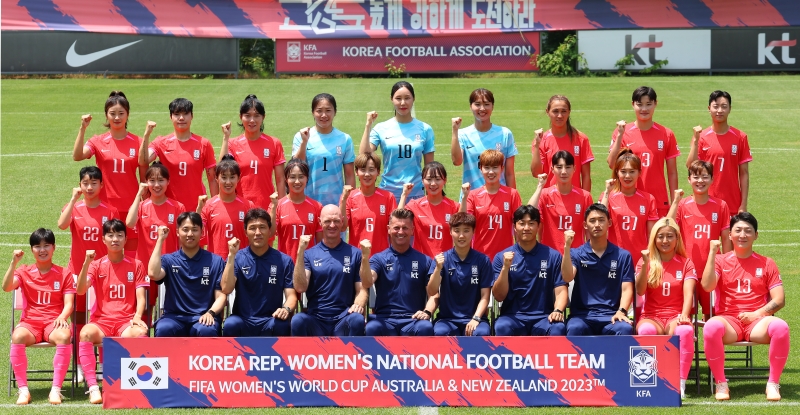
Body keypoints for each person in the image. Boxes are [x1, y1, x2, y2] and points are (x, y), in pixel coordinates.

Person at [701, 213, 788, 401]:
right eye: (738, 230)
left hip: (758, 322)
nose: (742, 235)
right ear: (730, 234)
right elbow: (707, 286)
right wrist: (711, 253)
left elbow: (779, 299)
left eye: (748, 231)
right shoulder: (720, 260)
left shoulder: (767, 263)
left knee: (781, 327)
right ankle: (721, 384)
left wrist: (756, 314)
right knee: (711, 326)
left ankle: (773, 384)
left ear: (756, 235)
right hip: (729, 321)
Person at [75, 219, 149, 404]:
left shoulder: (137, 265)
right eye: (110, 235)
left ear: (125, 239)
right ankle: (93, 388)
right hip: (101, 322)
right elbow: (81, 289)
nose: (115, 239)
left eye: (119, 235)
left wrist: (137, 316)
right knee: (84, 333)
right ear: (103, 239)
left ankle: (135, 385)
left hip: (125, 322)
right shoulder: (96, 265)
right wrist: (86, 263)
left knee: (141, 332)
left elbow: (141, 297)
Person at [56, 167, 118, 372]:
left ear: (102, 185)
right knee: (79, 318)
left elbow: (115, 240)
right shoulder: (73, 207)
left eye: (94, 183)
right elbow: (62, 225)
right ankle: (81, 365)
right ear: (80, 185)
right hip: (77, 272)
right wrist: (73, 200)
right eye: (85, 183)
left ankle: (101, 365)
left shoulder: (110, 211)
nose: (89, 187)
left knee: (101, 318)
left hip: (103, 273)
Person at [3, 229, 75, 405]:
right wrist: (13, 263)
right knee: (17, 336)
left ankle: (56, 390)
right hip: (30, 323)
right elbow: (6, 287)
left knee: (65, 336)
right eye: (37, 246)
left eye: (46, 245)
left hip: (54, 322)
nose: (42, 250)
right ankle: (23, 390)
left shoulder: (64, 273)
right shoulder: (24, 271)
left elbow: (69, 304)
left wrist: (63, 316)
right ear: (32, 249)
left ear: (54, 247)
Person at [72, 91, 143, 253]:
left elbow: (144, 176)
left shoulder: (138, 142)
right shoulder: (97, 141)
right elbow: (77, 156)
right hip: (105, 206)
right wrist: (82, 129)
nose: (116, 117)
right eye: (112, 114)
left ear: (128, 115)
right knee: (107, 253)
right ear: (106, 115)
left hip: (131, 206)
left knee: (132, 254)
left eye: (121, 113)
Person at [635, 218, 696, 399]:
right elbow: (640, 290)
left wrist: (684, 315)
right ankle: (649, 380)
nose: (665, 241)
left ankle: (680, 383)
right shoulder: (645, 261)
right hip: (651, 315)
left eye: (670, 236)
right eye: (660, 236)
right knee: (645, 330)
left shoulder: (686, 263)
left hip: (675, 316)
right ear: (654, 239)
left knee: (684, 331)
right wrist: (645, 264)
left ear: (677, 239)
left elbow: (688, 294)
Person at [667, 160, 732, 320]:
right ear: (689, 179)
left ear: (712, 179)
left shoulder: (721, 206)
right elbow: (667, 226)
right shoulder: (682, 205)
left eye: (705, 177)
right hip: (687, 272)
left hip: (712, 273)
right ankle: (690, 346)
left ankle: (712, 346)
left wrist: (729, 266)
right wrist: (675, 201)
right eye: (696, 177)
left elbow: (726, 238)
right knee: (686, 317)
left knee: (713, 316)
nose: (700, 181)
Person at [292, 205, 367, 336]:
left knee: (357, 319)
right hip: (316, 319)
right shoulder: (309, 254)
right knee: (298, 320)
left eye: (336, 221)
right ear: (320, 222)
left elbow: (362, 289)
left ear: (342, 221)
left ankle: (354, 356)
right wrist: (300, 252)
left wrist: (358, 304)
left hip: (343, 318)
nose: (332, 225)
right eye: (327, 221)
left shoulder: (355, 254)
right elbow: (300, 287)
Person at [148, 212, 227, 337]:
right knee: (164, 329)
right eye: (185, 230)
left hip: (203, 316)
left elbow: (221, 296)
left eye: (195, 230)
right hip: (173, 318)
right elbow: (153, 274)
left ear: (202, 232)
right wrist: (160, 239)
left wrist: (211, 313)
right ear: (178, 232)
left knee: (207, 330)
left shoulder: (216, 261)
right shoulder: (169, 260)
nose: (190, 234)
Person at [492, 206, 567, 336]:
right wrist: (505, 268)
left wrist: (558, 310)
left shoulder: (553, 256)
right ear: (515, 227)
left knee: (557, 328)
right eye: (522, 223)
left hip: (544, 317)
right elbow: (498, 296)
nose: (526, 228)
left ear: (538, 226)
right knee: (502, 327)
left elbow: (561, 291)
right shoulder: (501, 257)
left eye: (531, 223)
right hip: (512, 317)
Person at [360, 209, 437, 336]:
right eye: (396, 228)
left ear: (412, 230)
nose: (400, 232)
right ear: (388, 229)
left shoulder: (425, 260)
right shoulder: (378, 258)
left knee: (425, 327)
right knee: (372, 328)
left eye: (405, 228)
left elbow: (434, 294)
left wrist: (427, 312)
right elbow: (367, 282)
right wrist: (364, 258)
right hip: (384, 319)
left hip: (413, 319)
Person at [222, 208, 297, 337]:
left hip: (271, 320)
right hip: (242, 320)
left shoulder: (284, 260)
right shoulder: (237, 258)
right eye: (252, 228)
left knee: (282, 325)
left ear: (270, 230)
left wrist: (286, 309)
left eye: (262, 227)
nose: (258, 232)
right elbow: (226, 288)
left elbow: (292, 296)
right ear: (245, 232)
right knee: (230, 324)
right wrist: (231, 256)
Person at [562, 204, 634, 336]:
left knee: (625, 329)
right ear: (585, 225)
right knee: (574, 328)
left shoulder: (623, 256)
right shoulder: (576, 253)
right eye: (592, 221)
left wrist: (622, 311)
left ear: (609, 223)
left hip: (611, 316)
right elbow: (567, 277)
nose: (597, 224)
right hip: (582, 316)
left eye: (601, 220)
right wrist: (567, 247)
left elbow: (627, 288)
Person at [607, 86, 679, 217]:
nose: (644, 109)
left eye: (648, 104)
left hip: (658, 199)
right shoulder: (622, 132)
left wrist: (675, 201)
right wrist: (619, 135)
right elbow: (612, 164)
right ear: (633, 105)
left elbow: (672, 172)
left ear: (655, 104)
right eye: (639, 104)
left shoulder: (666, 134)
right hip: (628, 199)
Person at [138, 98, 218, 212]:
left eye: (185, 114)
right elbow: (143, 161)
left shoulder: (203, 144)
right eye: (177, 114)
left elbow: (212, 179)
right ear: (171, 117)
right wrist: (146, 135)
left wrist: (215, 205)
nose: (181, 118)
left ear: (192, 116)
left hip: (197, 207)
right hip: (169, 208)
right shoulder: (161, 142)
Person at [360, 81, 435, 201]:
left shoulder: (425, 129)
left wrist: (429, 196)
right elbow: (363, 156)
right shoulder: (381, 128)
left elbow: (430, 168)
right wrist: (368, 125)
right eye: (398, 98)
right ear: (391, 99)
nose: (403, 103)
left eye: (407, 98)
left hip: (415, 193)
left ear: (413, 99)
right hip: (388, 193)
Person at [126, 164, 186, 310]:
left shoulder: (177, 207)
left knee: (170, 309)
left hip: (169, 267)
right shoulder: (141, 206)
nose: (156, 185)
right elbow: (129, 222)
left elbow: (184, 240)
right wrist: (138, 195)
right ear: (146, 182)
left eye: (161, 180)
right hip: (145, 266)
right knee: (145, 307)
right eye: (152, 180)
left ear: (168, 182)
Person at [685, 91, 752, 214]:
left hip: (732, 203)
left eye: (724, 106)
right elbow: (690, 166)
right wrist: (695, 141)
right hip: (706, 201)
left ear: (730, 109)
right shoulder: (702, 136)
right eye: (716, 106)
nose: (719, 110)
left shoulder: (740, 137)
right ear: (709, 108)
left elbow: (744, 173)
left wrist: (743, 204)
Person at [427, 212, 491, 336]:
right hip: (447, 319)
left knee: (481, 333)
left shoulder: (483, 260)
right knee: (440, 332)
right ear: (450, 232)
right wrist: (438, 268)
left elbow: (485, 296)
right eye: (457, 231)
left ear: (473, 232)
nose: (461, 236)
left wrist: (476, 318)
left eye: (466, 231)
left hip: (476, 318)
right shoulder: (441, 259)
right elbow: (432, 291)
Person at [220, 94, 286, 211]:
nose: (252, 120)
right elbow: (222, 169)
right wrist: (226, 138)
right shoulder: (232, 143)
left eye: (256, 116)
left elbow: (280, 179)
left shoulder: (274, 143)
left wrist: (281, 206)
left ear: (263, 117)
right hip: (239, 206)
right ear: (240, 117)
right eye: (247, 116)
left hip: (267, 205)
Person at [292, 93, 356, 206]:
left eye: (328, 110)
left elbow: (349, 175)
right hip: (307, 201)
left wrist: (349, 201)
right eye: (319, 111)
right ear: (313, 112)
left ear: (335, 112)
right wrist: (304, 142)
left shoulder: (345, 139)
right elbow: (296, 166)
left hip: (336, 202)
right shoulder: (301, 136)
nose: (324, 115)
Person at [450, 88, 517, 191]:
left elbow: (509, 173)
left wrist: (513, 199)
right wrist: (455, 131)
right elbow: (457, 161)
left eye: (486, 104)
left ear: (492, 106)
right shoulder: (463, 135)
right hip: (471, 198)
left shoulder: (505, 134)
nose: (482, 108)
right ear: (470, 107)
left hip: (499, 198)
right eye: (477, 104)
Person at [600, 149, 658, 266]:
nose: (627, 176)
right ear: (617, 172)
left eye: (632, 171)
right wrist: (607, 192)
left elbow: (652, 235)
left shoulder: (648, 199)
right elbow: (600, 220)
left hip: (639, 259)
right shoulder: (607, 196)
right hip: (613, 258)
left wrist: (649, 259)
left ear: (639, 173)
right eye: (623, 171)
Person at [464, 150, 522, 262]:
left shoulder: (512, 194)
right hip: (479, 258)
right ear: (480, 169)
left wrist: (520, 255)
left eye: (495, 167)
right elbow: (464, 224)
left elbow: (518, 228)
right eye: (487, 167)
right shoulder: (472, 196)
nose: (491, 172)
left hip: (506, 257)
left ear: (502, 168)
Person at [529, 151, 593, 251]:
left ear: (574, 169)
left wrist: (590, 254)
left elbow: (589, 230)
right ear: (552, 169)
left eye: (568, 167)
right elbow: (530, 213)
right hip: (549, 256)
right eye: (559, 167)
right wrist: (540, 186)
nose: (563, 172)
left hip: (576, 255)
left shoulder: (585, 196)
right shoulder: (544, 194)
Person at [530, 95, 593, 192]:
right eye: (555, 111)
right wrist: (537, 146)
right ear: (548, 112)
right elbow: (536, 173)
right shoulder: (540, 140)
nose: (560, 115)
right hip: (549, 200)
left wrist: (586, 201)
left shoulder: (581, 139)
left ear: (569, 112)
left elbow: (586, 176)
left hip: (575, 198)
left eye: (563, 111)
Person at [398, 161, 460, 258]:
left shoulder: (454, 207)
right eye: (429, 179)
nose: (433, 183)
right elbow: (398, 220)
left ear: (445, 180)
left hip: (445, 262)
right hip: (420, 262)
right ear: (422, 181)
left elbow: (465, 228)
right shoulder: (415, 205)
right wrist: (404, 195)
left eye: (438, 179)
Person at [198, 155, 254, 258]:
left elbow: (254, 239)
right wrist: (199, 209)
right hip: (216, 265)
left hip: (241, 264)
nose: (228, 182)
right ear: (216, 178)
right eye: (224, 177)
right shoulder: (208, 206)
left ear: (238, 178)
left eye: (232, 177)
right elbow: (197, 234)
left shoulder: (248, 206)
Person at [340, 153, 396, 254]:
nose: (367, 174)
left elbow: (395, 229)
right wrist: (343, 200)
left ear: (378, 172)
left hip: (381, 258)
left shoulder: (388, 197)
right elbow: (342, 227)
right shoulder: (349, 197)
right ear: (356, 172)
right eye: (362, 169)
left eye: (371, 169)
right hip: (356, 256)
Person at [271, 158, 323, 264]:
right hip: (285, 264)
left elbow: (320, 243)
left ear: (307, 178)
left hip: (309, 266)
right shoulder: (277, 205)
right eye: (292, 177)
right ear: (286, 179)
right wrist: (273, 208)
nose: (297, 181)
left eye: (301, 177)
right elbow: (270, 234)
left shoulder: (317, 207)